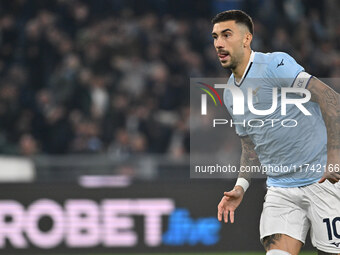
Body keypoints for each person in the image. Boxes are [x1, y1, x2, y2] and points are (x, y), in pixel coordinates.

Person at [212, 10, 340, 255]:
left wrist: (335, 158)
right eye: (215, 36)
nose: (219, 43)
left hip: (323, 180)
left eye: (227, 35)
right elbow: (250, 146)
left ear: (246, 39)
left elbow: (330, 97)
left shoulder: (274, 65)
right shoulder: (230, 92)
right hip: (280, 189)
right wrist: (240, 187)